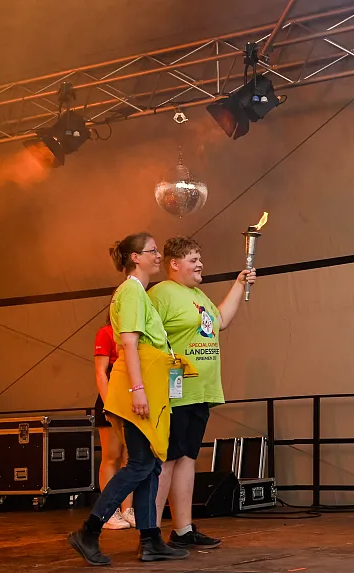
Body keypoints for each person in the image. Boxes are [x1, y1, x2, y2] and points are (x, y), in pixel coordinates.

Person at [68, 233, 194, 565]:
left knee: (150, 464)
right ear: (135, 257)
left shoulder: (138, 293)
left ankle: (150, 539)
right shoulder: (131, 292)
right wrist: (138, 389)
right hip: (138, 387)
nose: (158, 256)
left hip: (149, 385)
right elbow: (129, 344)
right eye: (152, 251)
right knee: (140, 464)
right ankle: (88, 531)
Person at [149, 236, 256, 549]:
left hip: (201, 390)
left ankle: (182, 530)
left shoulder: (197, 295)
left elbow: (220, 321)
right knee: (166, 460)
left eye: (200, 259)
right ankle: (151, 533)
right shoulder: (160, 294)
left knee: (187, 458)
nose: (200, 265)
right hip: (175, 390)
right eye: (193, 260)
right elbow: (147, 338)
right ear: (174, 263)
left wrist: (239, 283)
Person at [93, 315, 134, 529]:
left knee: (130, 456)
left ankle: (128, 509)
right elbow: (101, 372)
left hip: (132, 397)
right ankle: (108, 512)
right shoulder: (106, 332)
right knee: (111, 456)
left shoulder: (138, 332)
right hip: (111, 399)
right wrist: (110, 404)